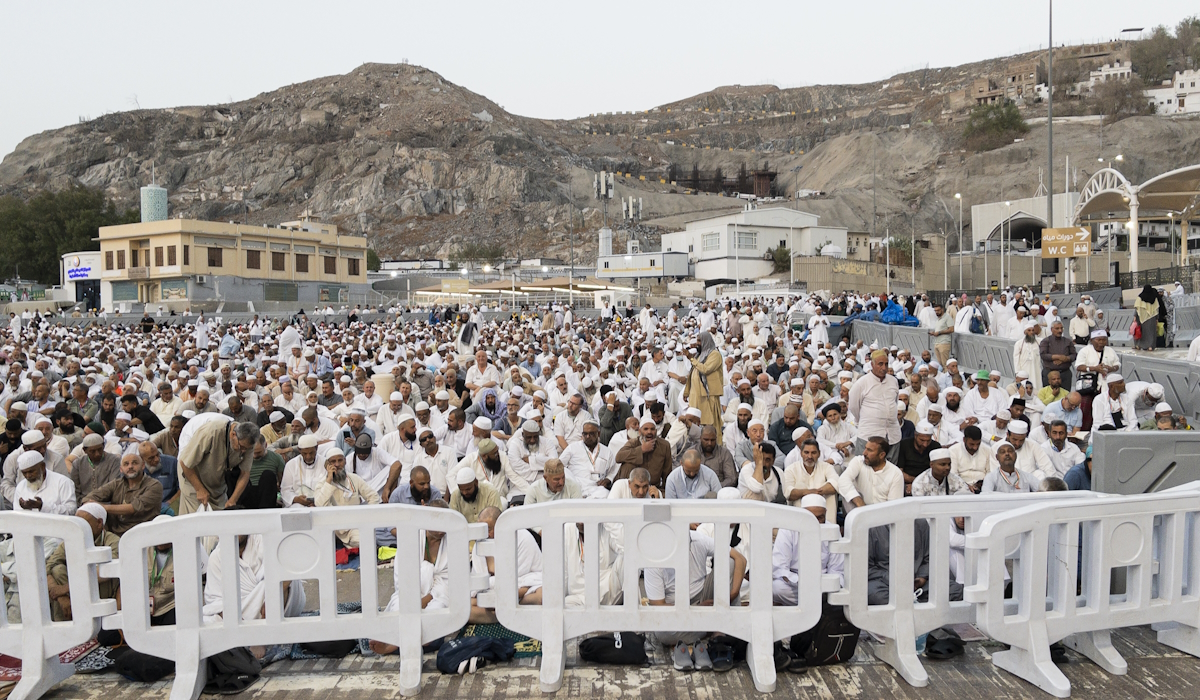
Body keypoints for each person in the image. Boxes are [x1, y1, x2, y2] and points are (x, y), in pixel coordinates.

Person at [47, 504, 120, 621]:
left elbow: (107, 571)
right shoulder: (71, 540)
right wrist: (60, 596)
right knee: (57, 570)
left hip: (101, 592)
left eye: (83, 524)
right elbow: (48, 567)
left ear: (99, 523)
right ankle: (65, 627)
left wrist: (67, 588)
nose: (78, 527)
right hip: (70, 594)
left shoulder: (113, 541)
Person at [177, 419, 256, 513]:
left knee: (220, 517)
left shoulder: (248, 442)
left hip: (217, 483)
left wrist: (233, 499)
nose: (243, 451)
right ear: (233, 435)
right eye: (241, 447)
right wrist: (199, 489)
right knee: (197, 519)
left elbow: (245, 473)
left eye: (246, 449)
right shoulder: (210, 432)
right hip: (193, 477)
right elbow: (185, 463)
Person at [81, 453, 164, 536]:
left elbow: (133, 508)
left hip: (142, 533)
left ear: (143, 466)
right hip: (114, 534)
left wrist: (101, 507)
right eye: (126, 464)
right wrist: (90, 504)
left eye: (134, 463)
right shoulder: (116, 483)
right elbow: (88, 498)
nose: (130, 466)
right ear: (121, 469)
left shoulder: (154, 485)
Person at [314, 450, 381, 547]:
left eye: (340, 460)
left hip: (352, 526)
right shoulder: (323, 483)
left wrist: (366, 518)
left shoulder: (354, 479)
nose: (337, 464)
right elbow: (319, 504)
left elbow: (373, 496)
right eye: (333, 461)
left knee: (364, 541)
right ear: (327, 465)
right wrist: (329, 481)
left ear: (345, 461)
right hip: (330, 527)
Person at [847, 350, 901, 446]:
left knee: (891, 461)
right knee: (865, 460)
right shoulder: (861, 383)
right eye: (880, 364)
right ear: (872, 364)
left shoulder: (893, 381)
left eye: (886, 364)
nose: (884, 368)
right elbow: (854, 407)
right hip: (869, 435)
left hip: (892, 435)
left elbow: (895, 402)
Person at [836, 436, 903, 510]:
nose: (864, 453)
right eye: (865, 448)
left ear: (882, 455)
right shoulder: (858, 461)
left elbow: (894, 506)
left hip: (882, 514)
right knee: (848, 494)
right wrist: (859, 503)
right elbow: (843, 480)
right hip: (858, 511)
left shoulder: (896, 473)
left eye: (869, 450)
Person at [558, 420, 618, 498]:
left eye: (591, 434)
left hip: (596, 487)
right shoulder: (572, 447)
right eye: (585, 434)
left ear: (598, 434)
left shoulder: (607, 451)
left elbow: (613, 471)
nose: (587, 437)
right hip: (577, 484)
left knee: (605, 494)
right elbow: (559, 464)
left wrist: (608, 479)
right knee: (565, 471)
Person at [782, 439, 838, 520]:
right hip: (801, 508)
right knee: (799, 486)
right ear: (801, 453)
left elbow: (835, 484)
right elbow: (788, 493)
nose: (810, 456)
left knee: (831, 494)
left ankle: (828, 527)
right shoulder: (791, 469)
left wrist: (816, 492)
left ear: (819, 454)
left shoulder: (826, 466)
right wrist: (808, 492)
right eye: (806, 452)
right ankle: (801, 527)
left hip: (821, 506)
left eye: (813, 453)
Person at [615, 416, 672, 491]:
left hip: (652, 487)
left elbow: (667, 472)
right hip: (630, 488)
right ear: (639, 432)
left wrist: (666, 491)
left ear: (656, 431)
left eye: (652, 429)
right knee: (627, 464)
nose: (649, 432)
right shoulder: (633, 443)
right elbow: (618, 457)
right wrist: (641, 449)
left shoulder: (664, 445)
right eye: (646, 429)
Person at [1038, 321, 1075, 389]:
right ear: (1052, 329)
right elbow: (1043, 355)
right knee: (1049, 396)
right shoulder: (1045, 341)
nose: (1060, 330)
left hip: (1065, 373)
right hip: (1050, 373)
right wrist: (1056, 357)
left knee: (1065, 396)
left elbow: (1074, 355)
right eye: (1057, 328)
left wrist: (1066, 359)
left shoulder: (1068, 341)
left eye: (1061, 328)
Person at [1134, 284, 1161, 351]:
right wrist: (1157, 318)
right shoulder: (1154, 298)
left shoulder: (1140, 297)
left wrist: (1135, 317)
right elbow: (1156, 309)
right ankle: (1150, 346)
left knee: (1142, 332)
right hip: (1151, 318)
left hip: (1142, 318)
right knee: (1151, 333)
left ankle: (1140, 345)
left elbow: (1137, 309)